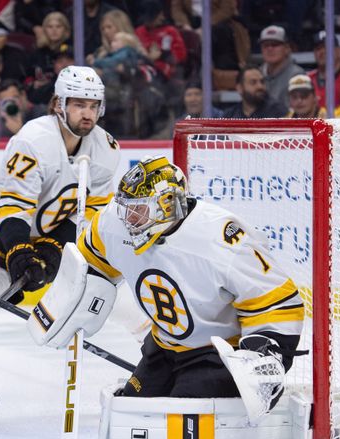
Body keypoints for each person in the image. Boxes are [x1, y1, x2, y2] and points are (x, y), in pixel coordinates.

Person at [30, 156, 303, 422]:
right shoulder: (111, 224)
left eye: (138, 210)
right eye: (126, 208)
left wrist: (266, 352)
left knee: (180, 419)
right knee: (131, 414)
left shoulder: (222, 240)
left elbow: (279, 301)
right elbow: (90, 264)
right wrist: (67, 303)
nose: (128, 219)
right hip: (162, 346)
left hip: (218, 353)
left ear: (167, 205)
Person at [0, 66, 120, 382]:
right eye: (79, 104)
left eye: (93, 106)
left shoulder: (106, 149)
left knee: (110, 285)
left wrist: (54, 248)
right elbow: (13, 206)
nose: (87, 114)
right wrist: (20, 252)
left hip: (49, 235)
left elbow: (90, 211)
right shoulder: (34, 140)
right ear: (58, 104)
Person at [257, 25, 304, 107]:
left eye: (275, 44)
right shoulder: (257, 74)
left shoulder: (297, 75)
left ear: (287, 48)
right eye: (265, 45)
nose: (270, 49)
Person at [222, 64, 288, 119]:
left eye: (262, 82)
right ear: (240, 88)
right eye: (253, 82)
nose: (260, 86)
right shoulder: (230, 116)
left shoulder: (278, 112)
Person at [308, 31, 340, 110]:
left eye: (327, 47)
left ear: (339, 51)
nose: (322, 52)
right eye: (318, 49)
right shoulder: (308, 79)